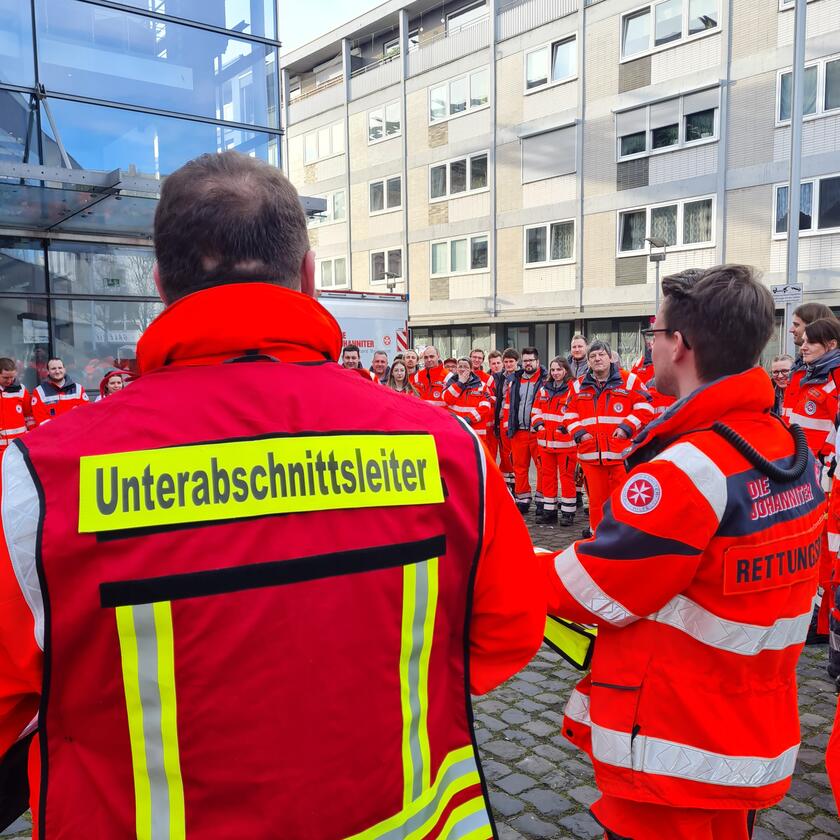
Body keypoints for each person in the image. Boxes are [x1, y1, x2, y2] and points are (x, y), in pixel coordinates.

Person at [0, 151, 546, 838]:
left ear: (161, 284)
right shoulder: (446, 448)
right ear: (310, 277)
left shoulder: (42, 480)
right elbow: (505, 631)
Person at [546, 264, 824, 840]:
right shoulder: (778, 442)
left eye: (654, 330)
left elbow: (594, 588)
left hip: (675, 742)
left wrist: (490, 558)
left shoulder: (691, 468)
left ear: (681, 345)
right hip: (743, 728)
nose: (650, 343)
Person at [563, 340, 653, 536]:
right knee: (596, 504)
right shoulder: (577, 386)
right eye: (593, 356)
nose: (597, 359)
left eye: (601, 355)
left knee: (623, 501)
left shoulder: (630, 380)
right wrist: (580, 433)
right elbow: (568, 414)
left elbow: (646, 407)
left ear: (610, 357)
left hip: (621, 456)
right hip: (590, 456)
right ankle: (598, 539)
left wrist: (626, 427)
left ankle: (622, 539)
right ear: (588, 361)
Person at [790, 318, 840, 644]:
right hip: (804, 475)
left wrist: (824, 465)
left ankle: (822, 622)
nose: (802, 346)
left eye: (810, 341)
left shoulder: (833, 382)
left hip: (823, 481)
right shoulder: (810, 375)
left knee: (824, 551)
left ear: (831, 345)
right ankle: (817, 616)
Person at [531, 357, 576, 526]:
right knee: (547, 477)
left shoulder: (573, 389)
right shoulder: (543, 389)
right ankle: (549, 512)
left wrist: (564, 427)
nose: (555, 373)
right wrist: (539, 426)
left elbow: (574, 411)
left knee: (566, 478)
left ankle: (568, 513)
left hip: (565, 443)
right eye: (553, 370)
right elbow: (535, 411)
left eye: (559, 369)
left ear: (566, 370)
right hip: (545, 443)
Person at [502, 347, 546, 515]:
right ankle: (523, 499)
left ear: (537, 362)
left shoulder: (544, 380)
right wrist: (508, 427)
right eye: (525, 360)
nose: (528, 363)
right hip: (518, 431)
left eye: (531, 360)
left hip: (536, 432)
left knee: (542, 468)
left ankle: (543, 500)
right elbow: (508, 406)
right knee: (519, 467)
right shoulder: (515, 380)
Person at [782, 302, 836, 423]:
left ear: (814, 326)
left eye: (796, 325)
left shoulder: (832, 375)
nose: (791, 330)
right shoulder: (801, 366)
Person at [30, 357, 89, 427]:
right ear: (48, 371)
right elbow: (41, 420)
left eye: (60, 368)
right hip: (53, 436)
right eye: (53, 369)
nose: (57, 371)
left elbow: (85, 413)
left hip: (75, 434)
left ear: (64, 370)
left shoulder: (78, 389)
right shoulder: (39, 392)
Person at [443, 358, 492, 439]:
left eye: (466, 367)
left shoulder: (482, 386)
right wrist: (460, 383)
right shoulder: (450, 383)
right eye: (460, 366)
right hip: (456, 429)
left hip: (475, 432)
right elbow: (447, 399)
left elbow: (485, 407)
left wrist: (469, 419)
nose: (462, 369)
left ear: (471, 369)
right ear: (457, 369)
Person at [0, 358, 33, 451]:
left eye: (12, 377)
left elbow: (29, 415)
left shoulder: (21, 390)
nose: (9, 381)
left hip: (18, 447)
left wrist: (32, 435)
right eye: (6, 377)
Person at [484, 350, 504, 464]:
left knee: (506, 452)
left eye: (498, 363)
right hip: (490, 421)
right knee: (490, 452)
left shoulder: (508, 378)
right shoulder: (486, 379)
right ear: (489, 364)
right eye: (493, 363)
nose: (496, 366)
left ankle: (508, 479)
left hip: (502, 419)